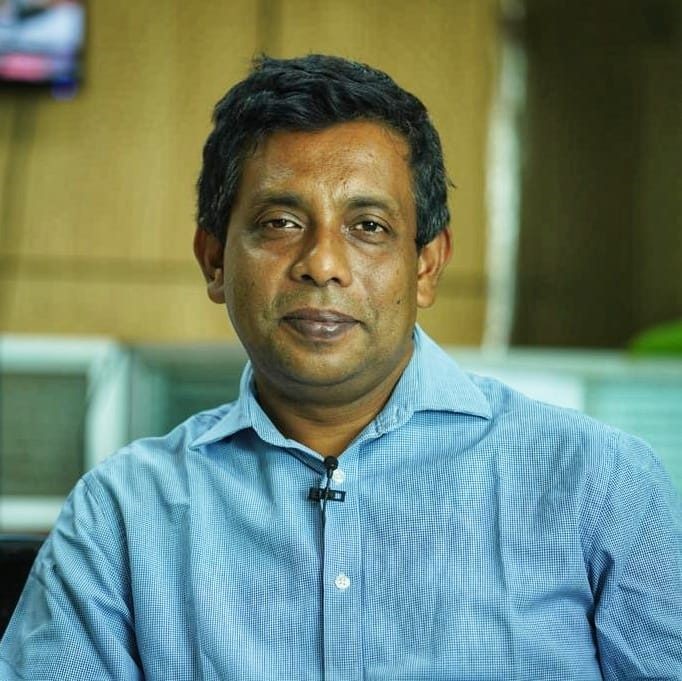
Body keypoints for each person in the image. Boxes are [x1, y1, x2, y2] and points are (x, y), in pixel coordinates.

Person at [1, 54, 681, 681]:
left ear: (426, 265)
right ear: (214, 259)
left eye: (368, 227)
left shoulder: (598, 485)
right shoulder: (122, 516)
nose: (322, 264)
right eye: (280, 222)